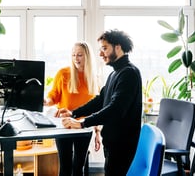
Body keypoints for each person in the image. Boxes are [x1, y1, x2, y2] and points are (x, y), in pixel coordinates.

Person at [56, 30, 142, 176]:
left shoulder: (129, 73)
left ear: (118, 47)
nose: (101, 54)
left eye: (104, 48)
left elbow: (115, 109)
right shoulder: (115, 73)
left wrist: (83, 123)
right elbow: (100, 100)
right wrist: (74, 113)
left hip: (122, 145)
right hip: (112, 143)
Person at [45, 41, 100, 176]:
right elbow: (54, 96)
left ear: (87, 57)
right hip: (64, 126)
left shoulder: (94, 78)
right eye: (73, 55)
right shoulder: (63, 74)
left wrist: (97, 132)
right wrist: (46, 101)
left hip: (84, 127)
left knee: (78, 167)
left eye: (80, 55)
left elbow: (97, 108)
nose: (76, 58)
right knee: (65, 166)